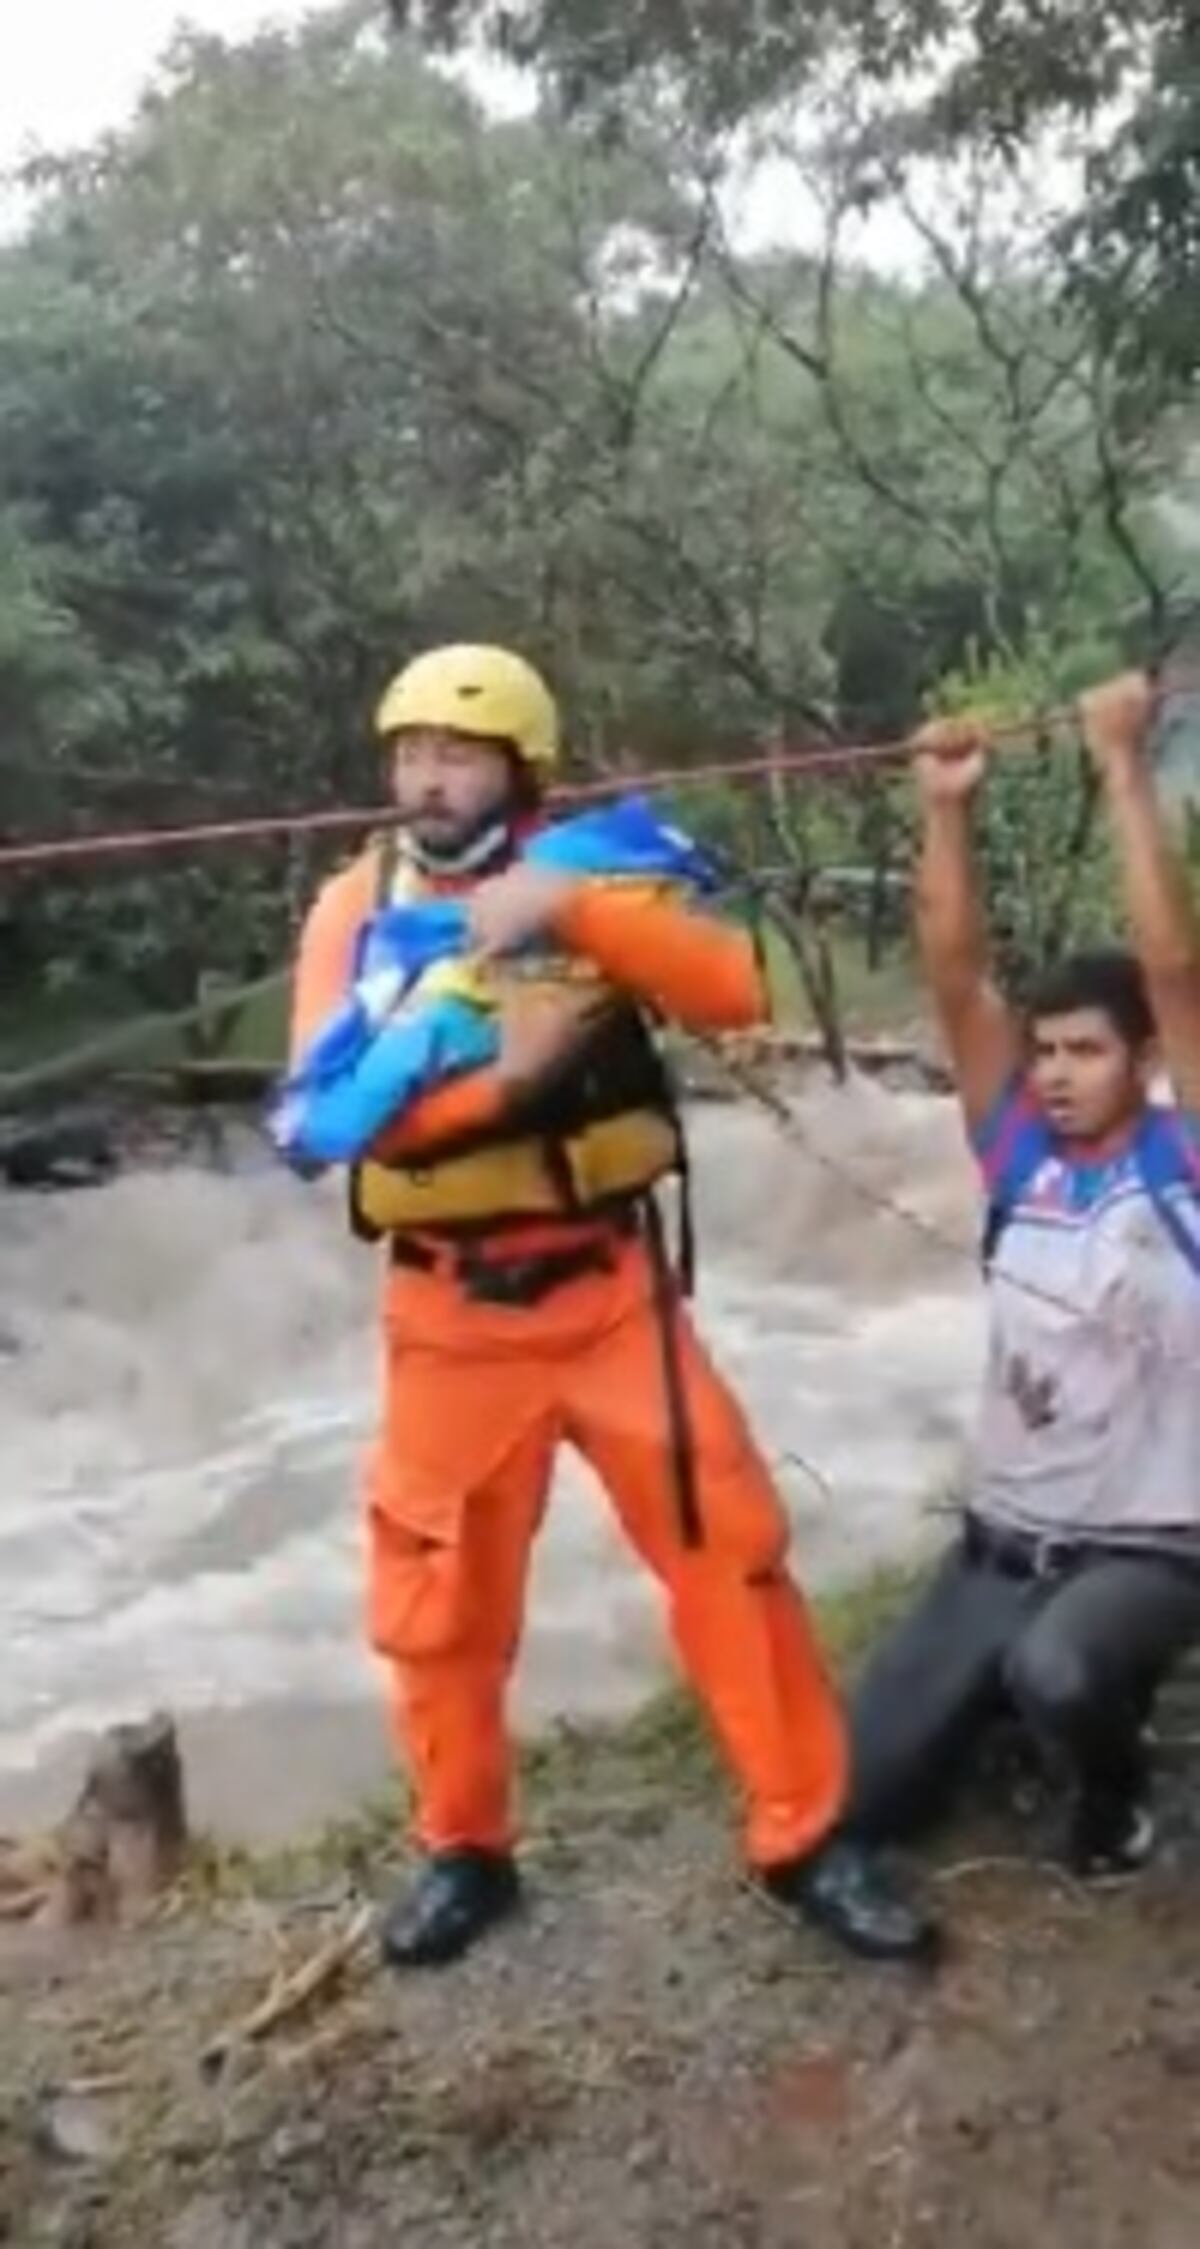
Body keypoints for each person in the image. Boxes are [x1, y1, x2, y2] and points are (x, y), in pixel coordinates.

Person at [290, 641, 935, 1968]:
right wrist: (512, 1085)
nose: (428, 776)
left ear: (518, 769)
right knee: (439, 1600)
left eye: (456, 754)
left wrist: (572, 915)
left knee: (730, 1553)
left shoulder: (598, 876)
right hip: (449, 1316)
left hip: (608, 1290)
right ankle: (463, 1846)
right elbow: (331, 1118)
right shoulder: (355, 903)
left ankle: (805, 1831)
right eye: (411, 752)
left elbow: (732, 991)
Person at [846, 671, 1200, 1872]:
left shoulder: (1182, 1155)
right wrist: (945, 807)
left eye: (1084, 1051)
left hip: (1156, 1539)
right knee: (864, 1794)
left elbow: (1174, 962)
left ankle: (1115, 1801)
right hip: (1005, 1533)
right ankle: (1001, 1687)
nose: (1052, 1072)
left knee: (1064, 1670)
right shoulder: (1017, 1157)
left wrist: (1122, 766)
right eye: (1043, 1050)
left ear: (1143, 1057)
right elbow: (956, 976)